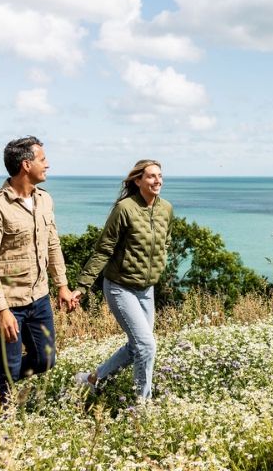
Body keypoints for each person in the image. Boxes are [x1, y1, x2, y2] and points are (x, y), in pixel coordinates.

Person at [0, 136, 80, 407]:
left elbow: (53, 243)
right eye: (43, 160)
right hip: (8, 303)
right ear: (26, 164)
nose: (48, 165)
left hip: (40, 297)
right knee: (9, 369)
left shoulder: (45, 200)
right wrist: (0, 310)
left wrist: (62, 286)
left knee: (46, 360)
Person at [73, 159, 173, 403]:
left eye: (159, 175)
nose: (157, 180)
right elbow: (104, 249)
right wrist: (82, 285)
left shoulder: (166, 209)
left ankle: (93, 379)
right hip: (120, 287)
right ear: (137, 180)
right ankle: (142, 405)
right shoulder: (125, 208)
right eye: (150, 176)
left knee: (137, 345)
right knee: (147, 345)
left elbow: (166, 242)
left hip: (146, 288)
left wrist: (158, 267)